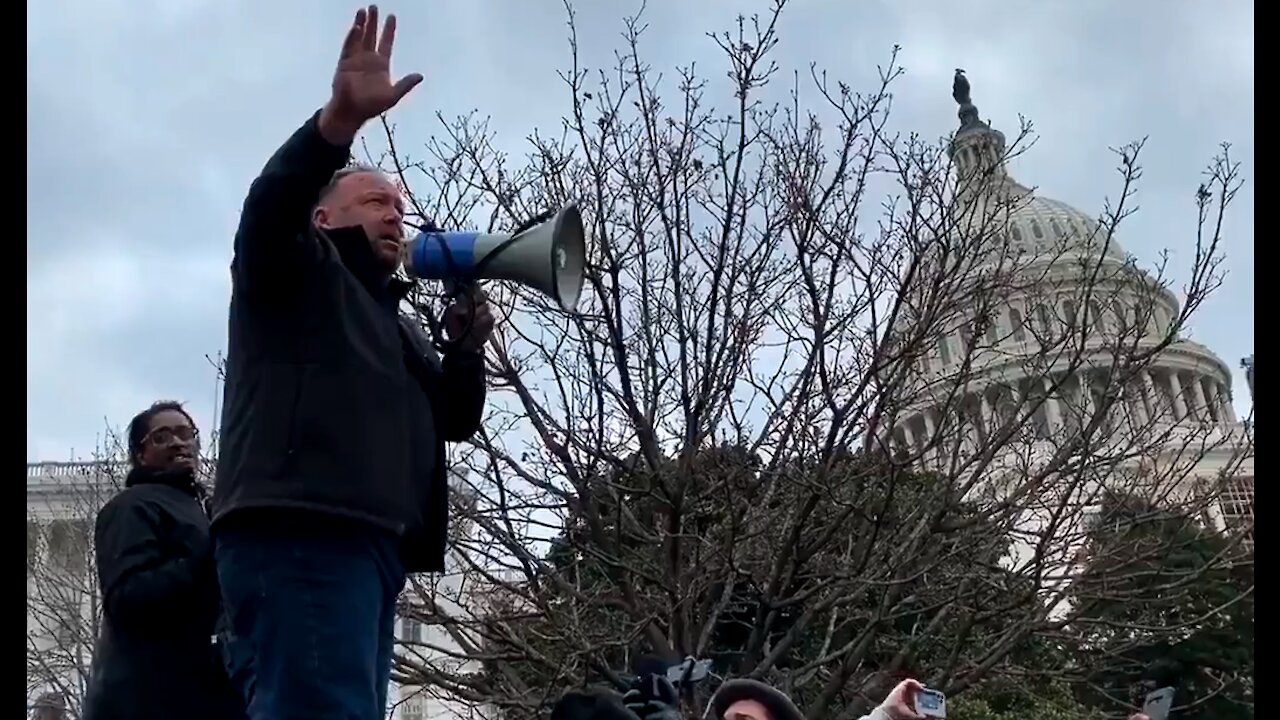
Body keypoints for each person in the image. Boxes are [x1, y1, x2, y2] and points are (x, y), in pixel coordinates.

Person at [210, 5, 491, 719]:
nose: (395, 214)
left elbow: (454, 422)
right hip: (301, 529)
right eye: (374, 200)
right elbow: (268, 208)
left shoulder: (390, 324)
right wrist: (335, 126)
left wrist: (465, 347)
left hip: (368, 544)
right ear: (323, 217)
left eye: (400, 205)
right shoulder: (296, 273)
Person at [83, 401, 244, 720]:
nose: (178, 442)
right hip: (148, 700)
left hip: (206, 695)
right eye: (162, 436)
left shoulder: (206, 509)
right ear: (140, 454)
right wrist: (203, 556)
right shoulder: (131, 507)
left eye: (186, 433)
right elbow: (129, 596)